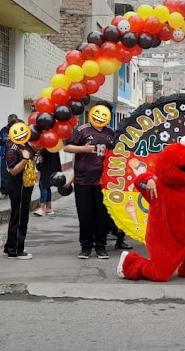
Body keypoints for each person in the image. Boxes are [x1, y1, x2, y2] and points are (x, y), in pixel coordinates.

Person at [63, 100, 118, 260]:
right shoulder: (82, 130)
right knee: (85, 215)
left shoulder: (111, 133)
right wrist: (84, 149)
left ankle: (101, 247)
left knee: (101, 216)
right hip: (83, 181)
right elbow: (67, 147)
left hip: (103, 183)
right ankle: (85, 247)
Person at [3, 121, 37, 260]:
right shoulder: (12, 148)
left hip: (26, 185)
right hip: (18, 186)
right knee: (19, 217)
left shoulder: (24, 144)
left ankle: (11, 245)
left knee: (20, 216)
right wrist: (24, 159)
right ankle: (16, 250)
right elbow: (13, 171)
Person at [0, 114, 18, 200]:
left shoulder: (19, 129)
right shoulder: (4, 130)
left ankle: (14, 191)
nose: (12, 124)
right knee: (4, 175)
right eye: (10, 122)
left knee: (14, 174)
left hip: (16, 156)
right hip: (5, 156)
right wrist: (3, 140)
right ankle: (4, 192)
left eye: (13, 122)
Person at [34, 148, 62, 217]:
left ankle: (42, 208)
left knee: (43, 186)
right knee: (47, 186)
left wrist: (40, 154)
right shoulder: (54, 146)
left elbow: (41, 159)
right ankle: (49, 207)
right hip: (52, 168)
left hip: (47, 169)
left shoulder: (46, 148)